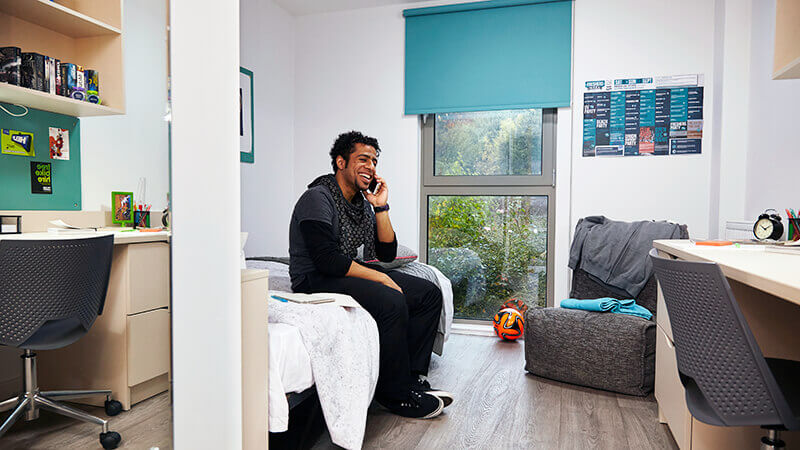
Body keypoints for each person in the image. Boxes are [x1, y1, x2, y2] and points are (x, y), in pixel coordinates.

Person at [289, 130, 453, 419]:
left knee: (428, 293)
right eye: (363, 159)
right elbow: (326, 260)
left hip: (341, 271)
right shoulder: (318, 197)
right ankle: (395, 394)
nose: (371, 166)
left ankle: (411, 378)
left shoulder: (362, 203)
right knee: (390, 299)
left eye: (375, 161)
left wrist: (381, 207)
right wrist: (380, 278)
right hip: (313, 278)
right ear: (341, 162)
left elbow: (386, 253)